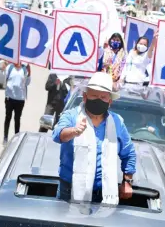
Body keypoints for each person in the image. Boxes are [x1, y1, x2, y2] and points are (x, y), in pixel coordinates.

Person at [53, 72, 136, 204]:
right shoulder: (71, 116)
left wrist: (127, 181)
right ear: (85, 97)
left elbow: (129, 153)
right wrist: (74, 131)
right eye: (94, 95)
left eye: (103, 97)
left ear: (109, 102)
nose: (98, 99)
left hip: (104, 194)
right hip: (69, 191)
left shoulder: (117, 122)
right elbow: (58, 135)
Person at [0, 61, 31, 145]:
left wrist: (29, 74)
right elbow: (1, 80)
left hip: (20, 99)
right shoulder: (10, 67)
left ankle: (16, 137)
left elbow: (27, 83)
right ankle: (5, 137)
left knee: (17, 119)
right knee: (8, 117)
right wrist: (2, 70)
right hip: (9, 98)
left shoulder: (24, 69)